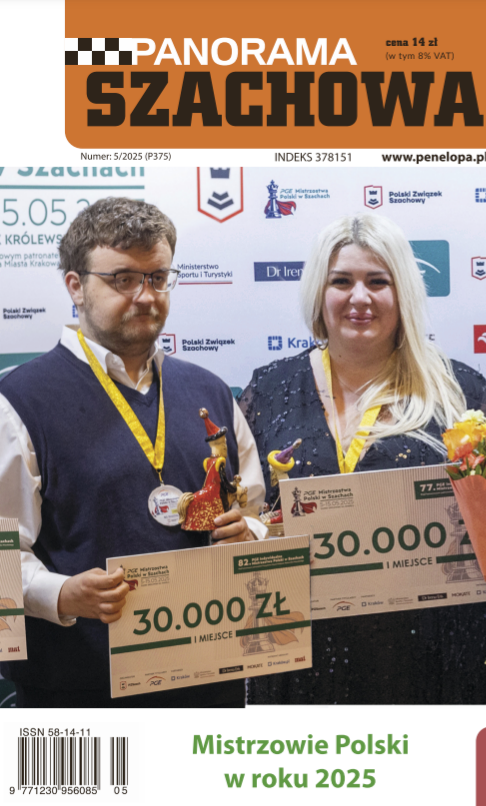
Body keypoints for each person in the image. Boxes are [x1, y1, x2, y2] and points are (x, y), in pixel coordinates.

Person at [240, 214, 486, 705]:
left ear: (402, 290)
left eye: (377, 281)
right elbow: (244, 515)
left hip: (432, 654)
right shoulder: (268, 388)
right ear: (319, 292)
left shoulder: (458, 391)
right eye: (341, 281)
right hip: (297, 653)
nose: (359, 297)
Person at [0, 197, 267, 709]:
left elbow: (257, 515)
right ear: (75, 286)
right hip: (82, 700)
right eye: (123, 279)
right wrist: (61, 594)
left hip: (212, 684)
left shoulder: (211, 392)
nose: (145, 296)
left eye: (158, 277)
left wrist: (248, 532)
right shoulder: (19, 401)